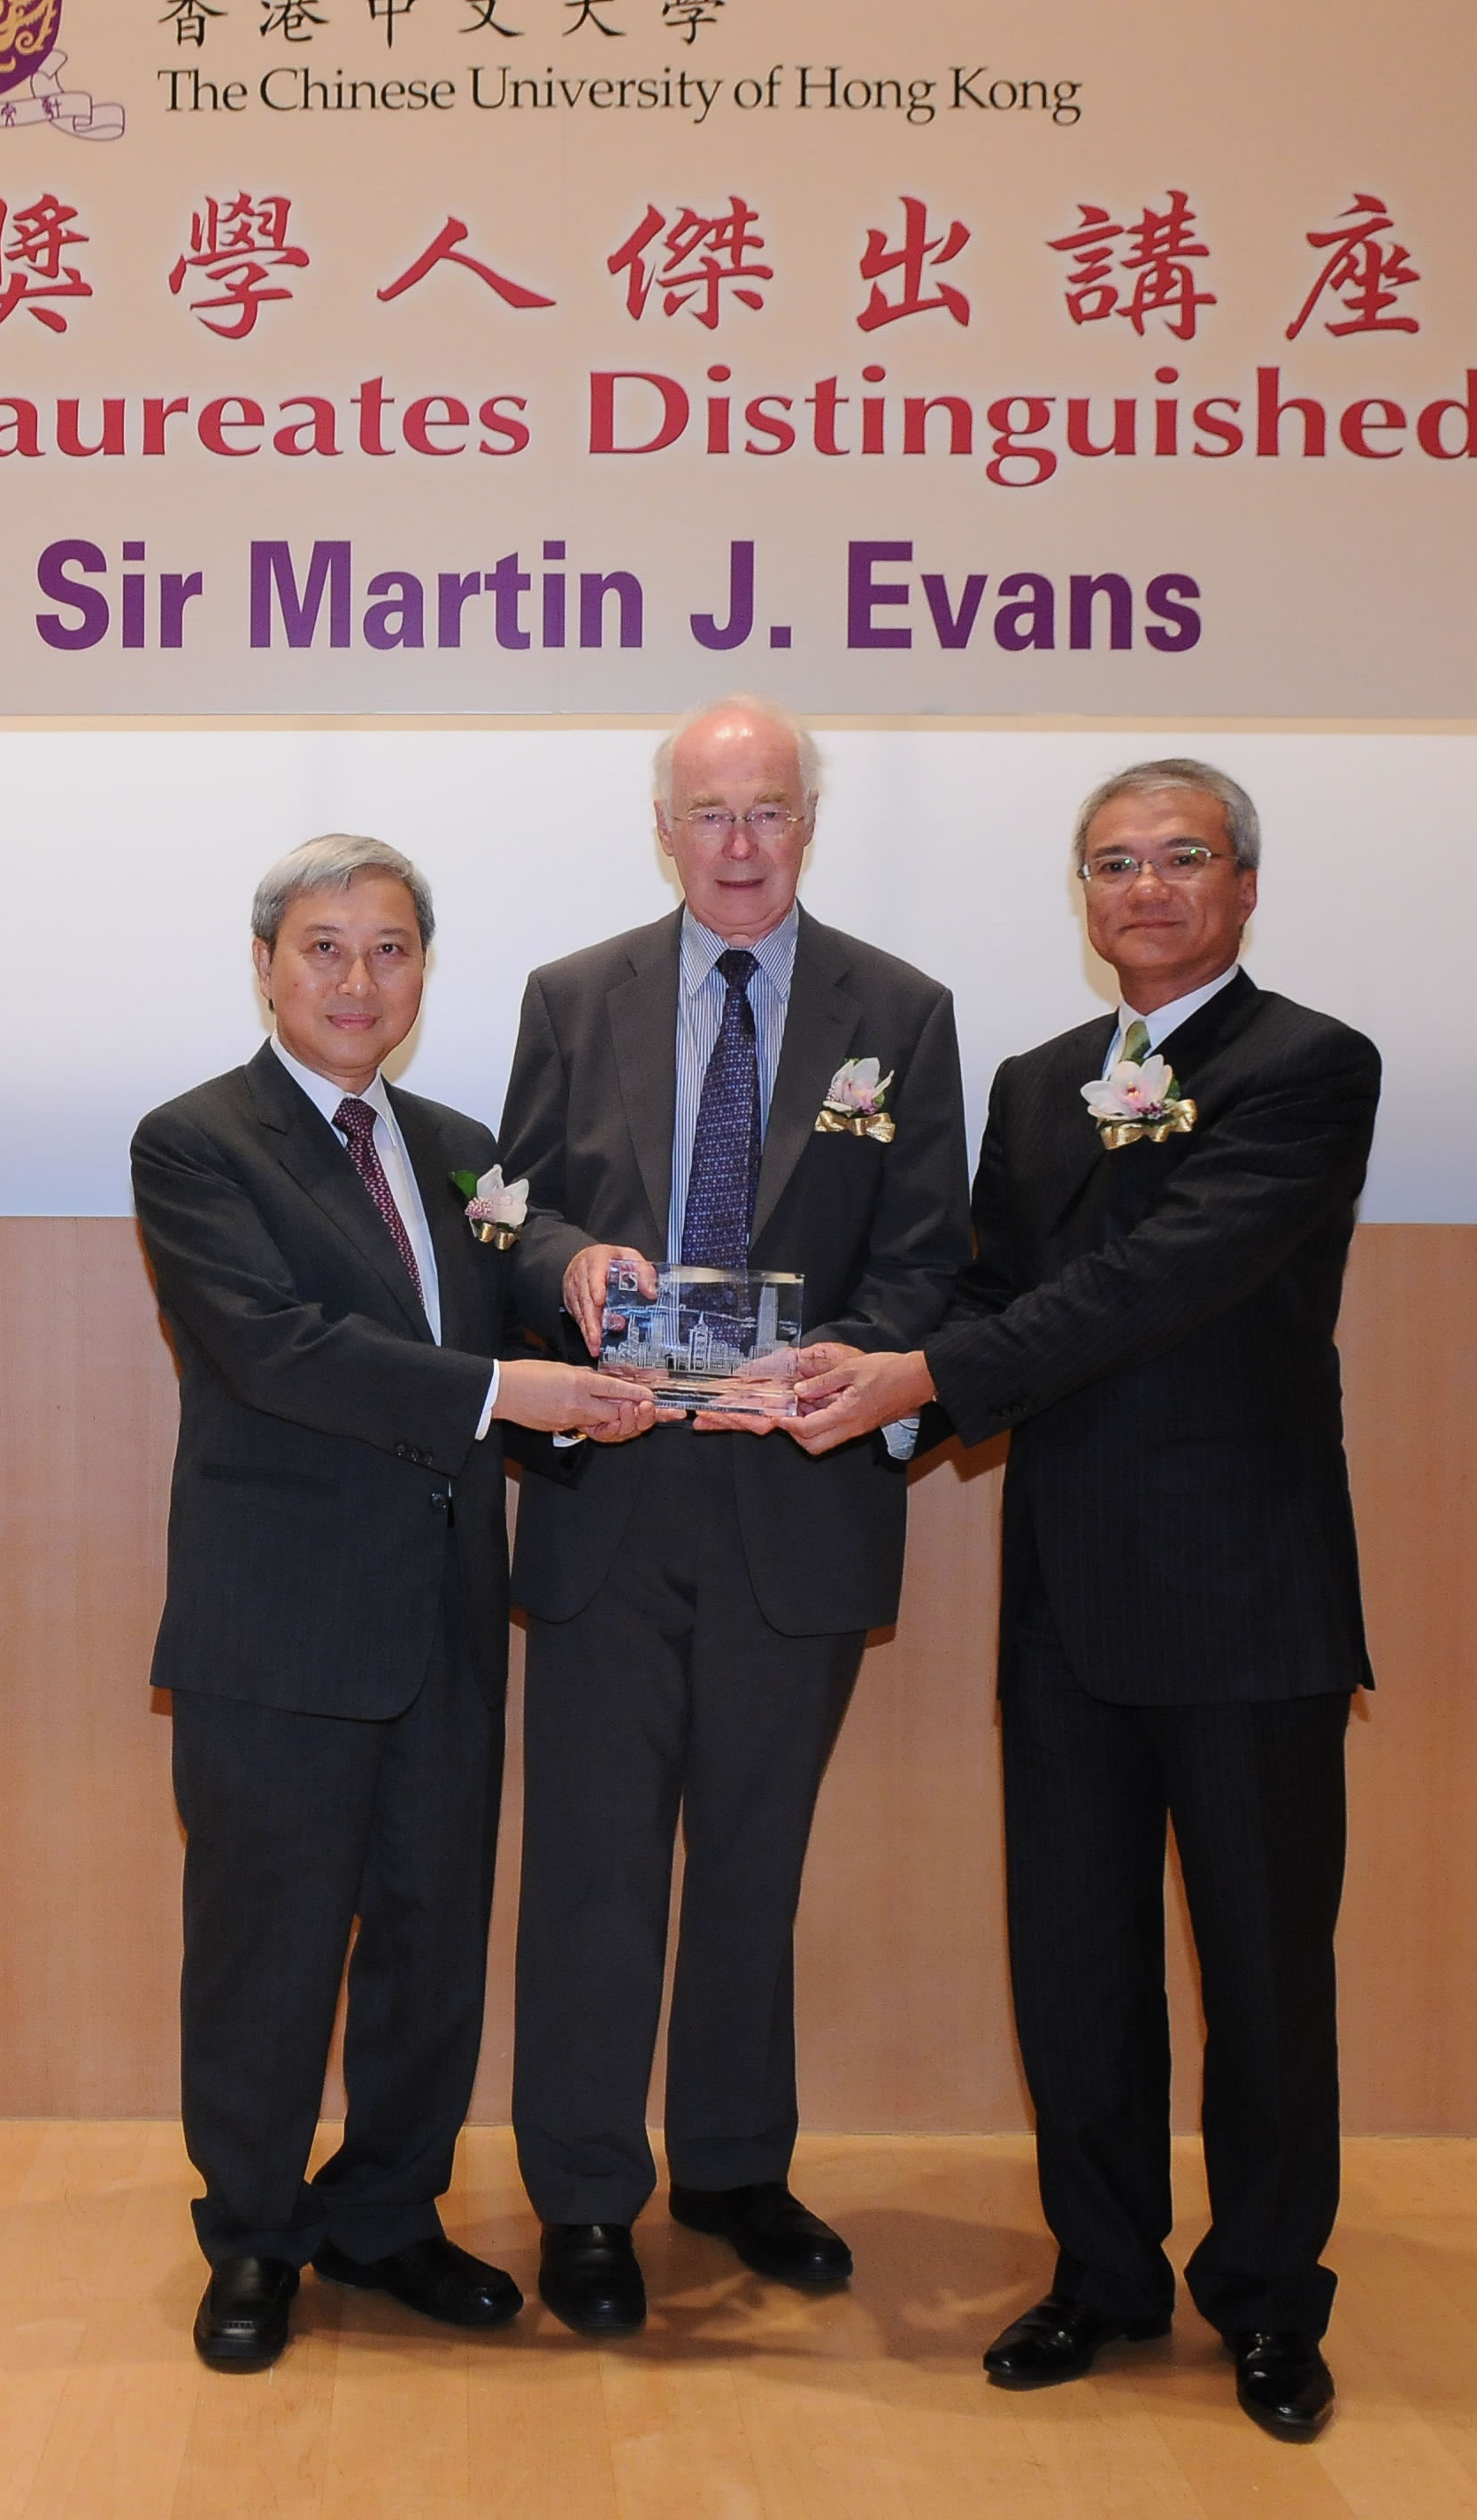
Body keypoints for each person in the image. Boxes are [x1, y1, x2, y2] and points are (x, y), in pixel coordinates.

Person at [786, 758, 1381, 2443]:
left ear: (1244, 886)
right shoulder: (1046, 1084)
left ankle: (1269, 2299)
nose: (1147, 887)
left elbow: (1152, 1281)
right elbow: (987, 1292)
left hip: (1250, 1598)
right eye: (1113, 861)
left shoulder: (1309, 1067)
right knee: (1078, 1964)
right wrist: (848, 1392)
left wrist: (928, 1368)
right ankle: (1105, 2276)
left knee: (1267, 1975)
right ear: (1083, 896)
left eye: (1183, 857)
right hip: (1065, 1605)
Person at [131, 833, 655, 2374]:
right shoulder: (196, 1141)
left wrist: (612, 1317)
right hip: (275, 1630)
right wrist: (514, 1388)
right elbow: (278, 1351)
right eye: (325, 948)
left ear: (425, 970)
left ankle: (385, 2216)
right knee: (268, 1949)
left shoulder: (453, 1143)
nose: (359, 980)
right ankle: (252, 2237)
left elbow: (522, 1267)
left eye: (391, 950)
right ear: (268, 964)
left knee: (430, 1942)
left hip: (441, 1622)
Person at [491, 696, 970, 2332]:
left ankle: (735, 2169)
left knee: (755, 1862)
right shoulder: (572, 997)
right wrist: (564, 1262)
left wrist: (853, 1358)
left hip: (797, 1500)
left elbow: (929, 1258)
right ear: (667, 828)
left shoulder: (900, 1013)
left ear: (809, 826)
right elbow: (509, 1207)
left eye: (771, 810)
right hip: (613, 1490)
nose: (743, 843)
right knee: (592, 1871)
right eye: (713, 813)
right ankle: (582, 2198)